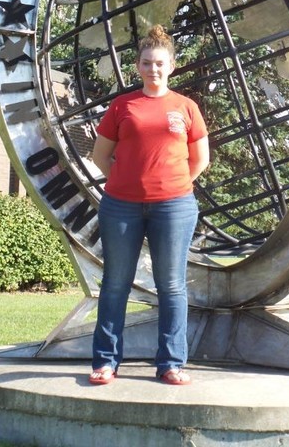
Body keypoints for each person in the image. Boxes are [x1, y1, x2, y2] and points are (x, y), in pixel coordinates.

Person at [89, 24, 209, 386]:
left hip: (174, 207)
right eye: (145, 63)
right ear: (137, 67)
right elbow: (100, 156)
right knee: (114, 284)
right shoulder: (122, 105)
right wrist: (128, 179)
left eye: (159, 63)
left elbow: (200, 159)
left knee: (171, 286)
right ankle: (106, 362)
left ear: (171, 65)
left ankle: (171, 363)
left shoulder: (186, 107)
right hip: (120, 206)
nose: (152, 69)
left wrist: (173, 186)